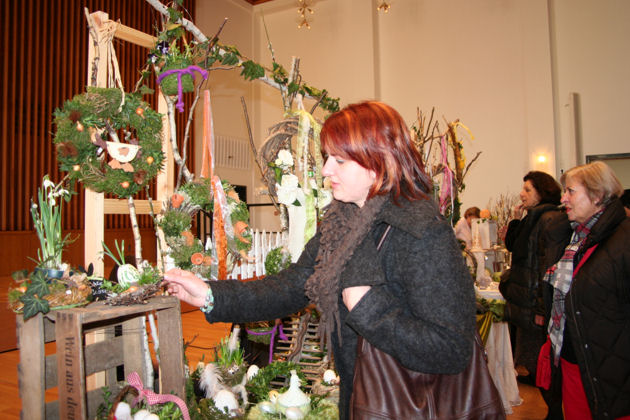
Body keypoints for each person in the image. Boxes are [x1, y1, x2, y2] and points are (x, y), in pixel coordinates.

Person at [165, 101, 476, 419]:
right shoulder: (340, 223)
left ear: (378, 163)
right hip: (362, 400)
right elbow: (292, 284)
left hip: (406, 405)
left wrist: (368, 308)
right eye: (328, 158)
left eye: (339, 160)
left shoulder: (420, 231)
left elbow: (451, 348)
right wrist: (211, 295)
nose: (326, 170)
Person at [539, 161, 630, 420]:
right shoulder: (573, 238)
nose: (563, 198)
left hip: (612, 371)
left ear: (597, 195)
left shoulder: (624, 238)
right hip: (573, 361)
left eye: (570, 191)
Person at [499, 172, 571, 391]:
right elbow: (515, 247)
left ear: (542, 192)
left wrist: (542, 307)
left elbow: (547, 266)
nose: (522, 194)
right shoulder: (532, 217)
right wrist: (515, 218)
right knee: (533, 361)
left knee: (542, 363)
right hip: (526, 298)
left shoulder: (549, 219)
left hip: (534, 300)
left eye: (528, 190)